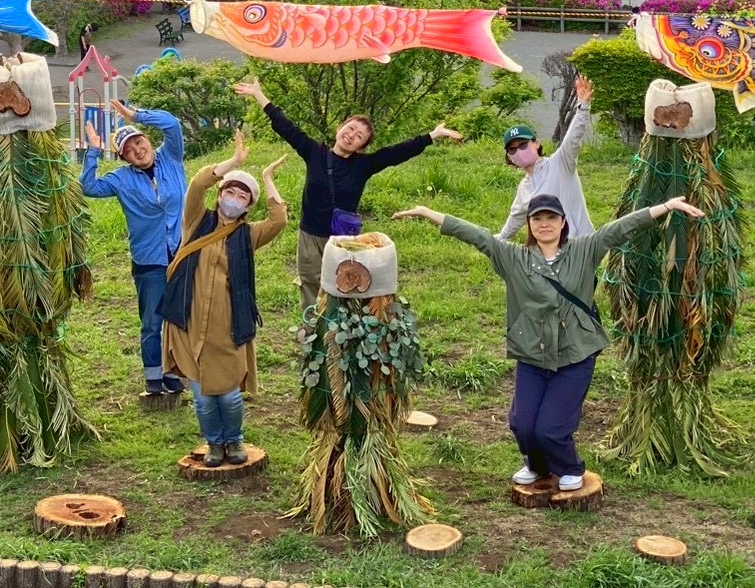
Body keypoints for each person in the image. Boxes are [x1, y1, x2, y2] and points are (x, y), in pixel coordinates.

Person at [393, 192, 703, 490]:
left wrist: (664, 207)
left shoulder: (584, 250)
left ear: (562, 222)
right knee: (523, 425)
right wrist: (427, 213)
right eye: (537, 218)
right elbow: (477, 235)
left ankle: (569, 468)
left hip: (575, 353)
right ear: (528, 224)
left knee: (552, 429)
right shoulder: (513, 258)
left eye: (551, 218)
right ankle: (537, 466)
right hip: (532, 354)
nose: (545, 224)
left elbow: (618, 229)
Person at [233, 78, 462, 315]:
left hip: (343, 239)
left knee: (343, 287)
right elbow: (285, 126)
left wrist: (432, 135)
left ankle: (340, 332)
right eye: (350, 128)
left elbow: (397, 153)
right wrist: (259, 96)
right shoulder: (314, 152)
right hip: (310, 235)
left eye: (360, 136)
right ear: (338, 128)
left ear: (361, 147)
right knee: (311, 284)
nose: (352, 135)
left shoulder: (364, 165)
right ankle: (314, 332)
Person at [162, 131, 287, 467]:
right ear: (220, 197)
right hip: (188, 323)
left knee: (230, 396)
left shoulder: (248, 234)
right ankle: (214, 444)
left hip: (227, 328)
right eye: (230, 191)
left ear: (248, 206)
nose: (234, 198)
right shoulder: (196, 221)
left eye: (242, 196)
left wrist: (266, 178)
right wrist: (232, 164)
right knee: (203, 398)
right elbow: (196, 186)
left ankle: (234, 441)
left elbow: (279, 220)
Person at [81, 98, 188, 396]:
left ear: (148, 141)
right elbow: (88, 187)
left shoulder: (172, 159)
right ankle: (153, 376)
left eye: (138, 143)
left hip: (181, 254)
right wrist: (92, 151)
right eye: (128, 150)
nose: (137, 151)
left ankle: (174, 372)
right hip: (149, 261)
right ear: (124, 158)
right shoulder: (121, 179)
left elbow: (173, 124)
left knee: (179, 319)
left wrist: (136, 115)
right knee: (152, 322)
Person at [497, 74, 595, 241]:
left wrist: (583, 106)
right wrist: (498, 241)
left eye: (522, 145)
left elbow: (572, 139)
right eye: (512, 150)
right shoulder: (524, 188)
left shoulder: (560, 164)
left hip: (580, 245)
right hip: (551, 251)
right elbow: (516, 219)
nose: (518, 152)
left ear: (536, 143)